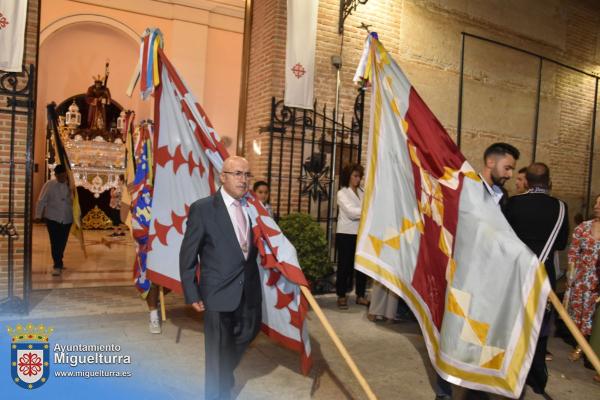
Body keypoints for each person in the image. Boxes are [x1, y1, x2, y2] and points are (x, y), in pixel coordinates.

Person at [179, 156, 261, 400]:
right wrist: (191, 291)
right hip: (216, 291)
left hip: (248, 288)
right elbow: (188, 255)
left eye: (247, 175)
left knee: (250, 330)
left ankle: (224, 373)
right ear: (222, 177)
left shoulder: (253, 208)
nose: (243, 180)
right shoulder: (203, 209)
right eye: (237, 173)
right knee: (216, 351)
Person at [504, 162, 569, 395]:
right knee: (539, 327)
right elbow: (561, 243)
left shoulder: (513, 203)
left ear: (527, 181)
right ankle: (537, 376)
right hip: (544, 276)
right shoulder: (561, 207)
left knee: (513, 324)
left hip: (517, 273)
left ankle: (510, 373)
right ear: (549, 182)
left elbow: (504, 237)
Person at [565, 194, 600, 369]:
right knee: (579, 314)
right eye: (596, 203)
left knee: (592, 315)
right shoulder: (583, 228)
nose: (596, 207)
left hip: (597, 281)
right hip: (581, 279)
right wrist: (570, 278)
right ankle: (579, 344)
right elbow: (572, 253)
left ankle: (586, 346)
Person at [336, 163, 369, 309]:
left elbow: (361, 210)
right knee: (345, 266)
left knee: (362, 267)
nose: (358, 179)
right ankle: (341, 296)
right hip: (346, 234)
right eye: (355, 176)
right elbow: (351, 212)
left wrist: (364, 210)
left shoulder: (363, 192)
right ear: (348, 177)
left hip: (361, 233)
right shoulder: (342, 193)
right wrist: (367, 210)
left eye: (359, 176)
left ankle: (360, 295)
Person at [35, 164, 73, 277]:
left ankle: (59, 261)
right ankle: (57, 265)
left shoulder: (71, 185)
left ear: (66, 174)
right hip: (52, 218)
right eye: (59, 176)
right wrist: (38, 215)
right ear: (55, 175)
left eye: (64, 176)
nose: (62, 178)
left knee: (62, 242)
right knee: (55, 242)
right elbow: (41, 200)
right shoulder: (49, 184)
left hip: (67, 218)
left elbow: (75, 203)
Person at [480, 142, 520, 208]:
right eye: (507, 168)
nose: (510, 175)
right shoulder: (469, 189)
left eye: (512, 170)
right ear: (490, 162)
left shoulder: (503, 194)